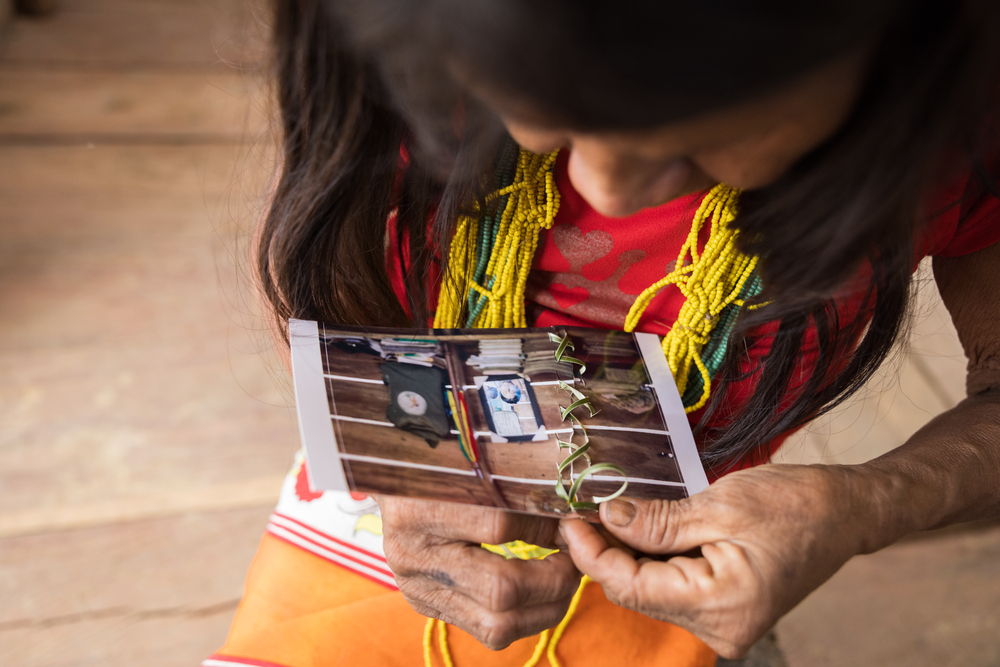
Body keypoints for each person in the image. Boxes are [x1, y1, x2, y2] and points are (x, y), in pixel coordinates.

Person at [205, 1, 1000, 665]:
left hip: (698, 531)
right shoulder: (401, 31)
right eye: (544, 121)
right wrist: (398, 462)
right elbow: (319, 238)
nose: (604, 197)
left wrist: (867, 505)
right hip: (408, 458)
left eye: (689, 140)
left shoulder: (971, 106)